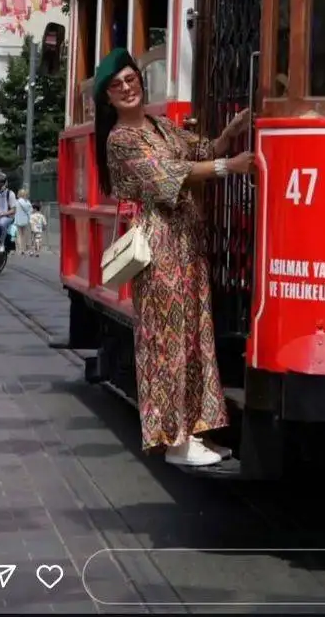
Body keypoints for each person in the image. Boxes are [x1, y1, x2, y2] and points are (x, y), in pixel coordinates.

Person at [93, 47, 254, 470]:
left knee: (194, 337)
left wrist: (232, 131)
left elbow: (201, 152)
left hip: (187, 243)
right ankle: (176, 439)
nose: (127, 88)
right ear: (107, 98)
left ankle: (196, 431)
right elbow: (173, 176)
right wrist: (229, 166)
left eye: (130, 80)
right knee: (167, 343)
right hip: (161, 245)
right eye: (116, 86)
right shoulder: (122, 139)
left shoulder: (160, 126)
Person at [0, 172, 16, 250]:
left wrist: (3, 214)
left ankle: (1, 243)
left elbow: (14, 210)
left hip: (7, 216)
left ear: (5, 183)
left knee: (2, 223)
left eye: (1, 183)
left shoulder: (10, 193)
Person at [14, 190, 33, 255]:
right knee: (25, 235)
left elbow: (15, 210)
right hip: (25, 220)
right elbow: (30, 211)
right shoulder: (27, 202)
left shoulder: (16, 201)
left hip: (18, 220)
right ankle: (24, 248)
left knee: (19, 235)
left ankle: (20, 249)